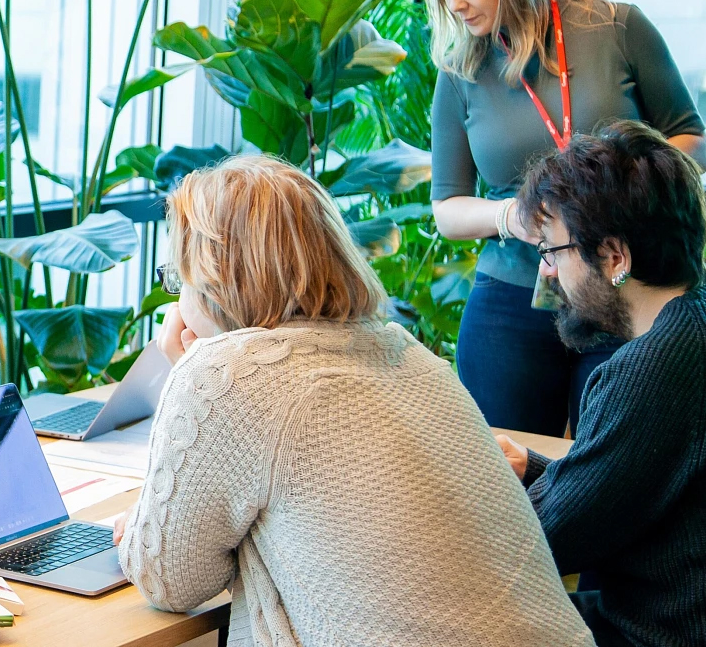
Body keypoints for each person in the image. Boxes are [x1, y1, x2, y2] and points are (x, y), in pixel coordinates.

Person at [113, 155, 593, 646]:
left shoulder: (224, 378)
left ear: (217, 280)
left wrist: (140, 526)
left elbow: (169, 579)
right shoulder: (408, 354)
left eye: (179, 276)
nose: (177, 297)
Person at [415, 0, 706, 437]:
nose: (454, 4)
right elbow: (448, 210)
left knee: (617, 467)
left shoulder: (618, 27)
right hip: (512, 300)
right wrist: (514, 216)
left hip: (626, 288)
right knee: (506, 478)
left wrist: (618, 196)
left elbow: (692, 138)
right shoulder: (459, 71)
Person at [495, 121, 706, 646]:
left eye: (552, 251)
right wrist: (533, 468)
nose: (547, 273)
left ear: (614, 258)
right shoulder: (692, 324)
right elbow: (628, 487)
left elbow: (543, 540)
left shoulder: (651, 369)